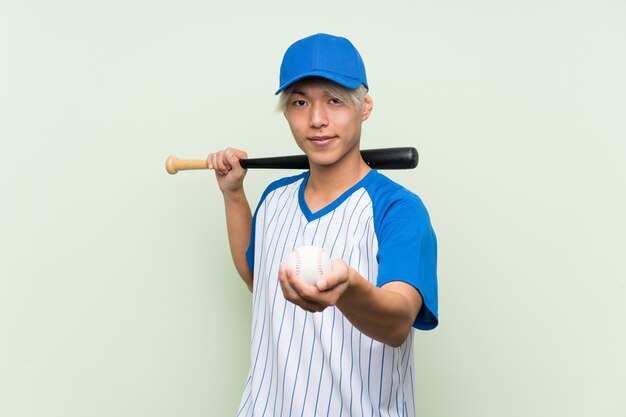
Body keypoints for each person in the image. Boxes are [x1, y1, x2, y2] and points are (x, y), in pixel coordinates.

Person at [207, 33, 438, 417]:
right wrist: (233, 196)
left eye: (335, 100)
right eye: (300, 102)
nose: (316, 120)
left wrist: (346, 291)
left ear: (364, 106)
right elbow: (258, 278)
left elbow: (398, 321)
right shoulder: (274, 198)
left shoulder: (398, 210)